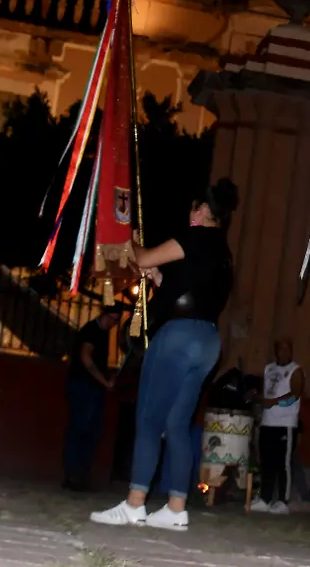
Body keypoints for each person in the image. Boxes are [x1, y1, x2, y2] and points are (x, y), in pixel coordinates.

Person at [91, 179, 239, 532]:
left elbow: (139, 256)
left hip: (178, 336)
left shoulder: (194, 237)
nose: (190, 215)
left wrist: (127, 234)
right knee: (176, 423)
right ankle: (176, 507)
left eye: (193, 209)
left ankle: (135, 503)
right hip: (207, 340)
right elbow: (182, 287)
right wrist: (158, 276)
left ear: (202, 210)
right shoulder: (224, 253)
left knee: (149, 418)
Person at [62, 301, 124, 491]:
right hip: (83, 386)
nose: (112, 324)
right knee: (81, 429)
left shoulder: (101, 332)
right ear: (103, 314)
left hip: (90, 387)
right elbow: (86, 358)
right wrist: (104, 382)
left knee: (90, 431)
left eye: (115, 321)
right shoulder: (91, 330)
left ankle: (79, 474)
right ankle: (73, 475)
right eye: (110, 319)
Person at [254, 338, 303, 514]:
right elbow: (266, 392)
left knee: (283, 464)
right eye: (280, 349)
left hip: (285, 424)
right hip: (267, 422)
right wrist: (259, 398)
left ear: (291, 351)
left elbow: (295, 394)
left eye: (287, 348)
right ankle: (265, 498)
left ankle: (283, 501)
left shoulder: (295, 370)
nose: (283, 352)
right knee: (266, 462)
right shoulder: (269, 368)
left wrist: (274, 402)